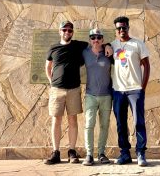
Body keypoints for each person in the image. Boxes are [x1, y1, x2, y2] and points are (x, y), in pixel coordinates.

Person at [44, 21, 112, 165]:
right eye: (64, 30)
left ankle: (72, 151)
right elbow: (48, 66)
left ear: (72, 32)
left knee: (72, 120)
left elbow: (97, 45)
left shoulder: (78, 45)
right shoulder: (52, 48)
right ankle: (56, 152)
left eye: (69, 30)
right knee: (56, 120)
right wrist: (51, 81)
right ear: (60, 31)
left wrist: (108, 45)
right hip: (57, 89)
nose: (67, 32)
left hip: (74, 89)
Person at [111, 16, 150, 167]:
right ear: (116, 30)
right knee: (121, 124)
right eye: (119, 28)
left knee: (138, 122)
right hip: (118, 90)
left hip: (135, 90)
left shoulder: (138, 44)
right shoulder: (112, 45)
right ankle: (125, 153)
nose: (122, 30)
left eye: (124, 27)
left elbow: (146, 65)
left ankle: (141, 153)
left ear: (128, 28)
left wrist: (143, 87)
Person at [82, 28, 113, 166]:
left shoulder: (108, 53)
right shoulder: (85, 52)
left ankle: (101, 153)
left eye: (99, 38)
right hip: (90, 95)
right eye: (93, 37)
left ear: (102, 39)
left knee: (104, 126)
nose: (96, 40)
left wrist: (109, 46)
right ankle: (89, 154)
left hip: (106, 95)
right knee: (89, 125)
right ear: (90, 40)